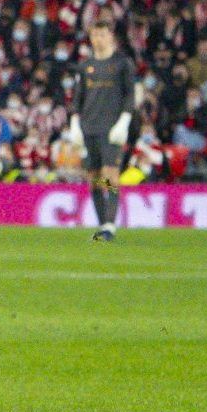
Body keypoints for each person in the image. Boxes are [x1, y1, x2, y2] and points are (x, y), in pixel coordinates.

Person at [68, 14, 136, 242]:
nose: (97, 38)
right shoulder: (85, 66)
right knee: (94, 178)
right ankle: (102, 225)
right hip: (89, 128)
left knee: (110, 176)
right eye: (94, 34)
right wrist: (75, 124)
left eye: (102, 34)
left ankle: (109, 225)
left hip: (111, 128)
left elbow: (129, 95)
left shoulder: (121, 64)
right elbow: (78, 98)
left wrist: (124, 121)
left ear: (111, 36)